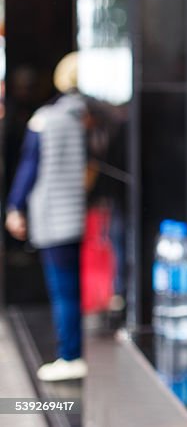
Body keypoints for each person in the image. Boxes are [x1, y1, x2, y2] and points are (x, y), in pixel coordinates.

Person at [4, 53, 88, 381]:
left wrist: (15, 206)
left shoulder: (47, 119)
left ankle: (70, 354)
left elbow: (29, 167)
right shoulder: (91, 117)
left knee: (63, 289)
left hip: (56, 216)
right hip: (83, 215)